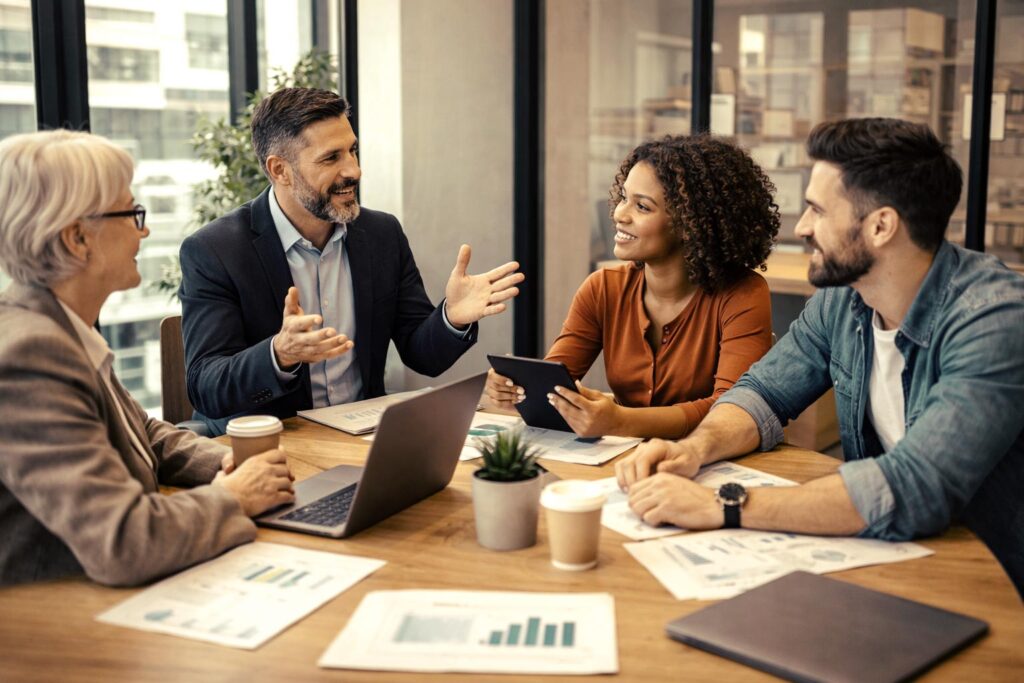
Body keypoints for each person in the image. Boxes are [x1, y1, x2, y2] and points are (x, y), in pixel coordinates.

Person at [615, 118, 1024, 589]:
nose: (804, 227)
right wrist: (693, 450)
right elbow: (763, 392)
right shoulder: (845, 298)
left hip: (994, 578)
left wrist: (724, 504)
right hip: (892, 558)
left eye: (817, 210)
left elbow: (915, 487)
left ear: (880, 226)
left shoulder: (994, 320)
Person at [0, 130, 295, 586]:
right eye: (132, 213)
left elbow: (142, 432)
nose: (145, 230)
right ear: (78, 238)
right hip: (55, 618)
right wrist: (233, 497)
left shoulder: (55, 325)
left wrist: (221, 464)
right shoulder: (30, 353)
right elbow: (125, 541)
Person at [179, 87, 523, 434]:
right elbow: (206, 387)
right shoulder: (215, 251)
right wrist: (279, 353)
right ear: (280, 170)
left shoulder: (381, 234)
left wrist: (452, 317)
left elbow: (423, 356)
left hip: (363, 439)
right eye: (331, 158)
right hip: (272, 447)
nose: (353, 171)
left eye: (352, 151)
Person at [486, 135, 779, 438]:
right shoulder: (602, 288)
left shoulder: (742, 294)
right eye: (624, 198)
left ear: (692, 223)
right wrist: (519, 389)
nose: (619, 214)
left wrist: (620, 420)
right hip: (622, 463)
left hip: (709, 462)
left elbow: (731, 410)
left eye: (642, 206)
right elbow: (554, 387)